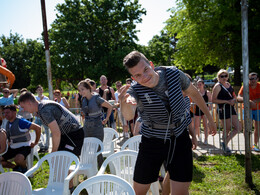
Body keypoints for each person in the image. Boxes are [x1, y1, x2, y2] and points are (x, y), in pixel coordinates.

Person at [119, 51, 217, 195]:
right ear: (133, 77)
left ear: (151, 65)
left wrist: (209, 118)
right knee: (139, 191)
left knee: (181, 191)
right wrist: (124, 103)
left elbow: (194, 93)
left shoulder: (173, 74)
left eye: (146, 70)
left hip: (179, 138)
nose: (144, 77)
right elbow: (128, 115)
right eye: (138, 75)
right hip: (152, 140)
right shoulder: (134, 90)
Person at [18, 91, 84, 157]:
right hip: (69, 134)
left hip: (74, 135)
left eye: (23, 107)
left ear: (28, 103)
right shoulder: (42, 106)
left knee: (58, 161)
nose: (23, 110)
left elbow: (56, 133)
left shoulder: (44, 110)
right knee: (58, 162)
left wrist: (53, 152)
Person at [78, 80, 112, 167]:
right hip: (87, 127)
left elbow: (110, 107)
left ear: (89, 88)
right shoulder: (83, 99)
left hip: (97, 127)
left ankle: (100, 169)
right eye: (79, 90)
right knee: (84, 148)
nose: (80, 92)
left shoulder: (97, 98)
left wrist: (106, 119)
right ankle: (86, 167)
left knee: (98, 149)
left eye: (82, 89)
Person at [1, 105, 41, 173]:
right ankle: (16, 168)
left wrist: (35, 142)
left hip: (24, 146)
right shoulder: (7, 123)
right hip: (13, 147)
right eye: (4, 113)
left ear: (14, 112)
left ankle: (25, 170)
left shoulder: (21, 121)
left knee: (18, 160)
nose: (5, 115)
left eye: (7, 112)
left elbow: (38, 128)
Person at [212, 69, 242, 154]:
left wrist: (233, 99)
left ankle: (224, 143)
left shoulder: (228, 84)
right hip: (223, 108)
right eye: (222, 76)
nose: (224, 78)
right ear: (218, 77)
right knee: (227, 128)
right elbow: (214, 100)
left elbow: (234, 95)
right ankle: (225, 147)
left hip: (231, 108)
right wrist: (227, 102)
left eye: (226, 76)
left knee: (239, 127)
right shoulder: (217, 86)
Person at [237, 72, 260, 152]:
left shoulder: (259, 86)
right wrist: (248, 101)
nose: (252, 80)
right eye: (250, 79)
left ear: (257, 79)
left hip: (258, 109)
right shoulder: (245, 86)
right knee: (247, 128)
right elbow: (238, 97)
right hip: (247, 109)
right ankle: (248, 145)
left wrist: (256, 101)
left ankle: (255, 145)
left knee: (258, 128)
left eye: (254, 78)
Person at [194, 79, 212, 144]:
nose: (199, 86)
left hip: (205, 110)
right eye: (198, 84)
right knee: (196, 125)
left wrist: (210, 107)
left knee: (205, 125)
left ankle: (206, 139)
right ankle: (199, 137)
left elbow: (210, 101)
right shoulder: (196, 92)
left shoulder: (207, 92)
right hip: (198, 109)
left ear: (203, 84)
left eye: (200, 84)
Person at [34, 85, 50, 152]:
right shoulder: (35, 98)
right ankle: (41, 145)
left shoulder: (46, 98)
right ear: (36, 91)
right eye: (39, 90)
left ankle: (47, 146)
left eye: (41, 89)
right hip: (37, 118)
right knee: (36, 131)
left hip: (44, 118)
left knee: (47, 131)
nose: (40, 91)